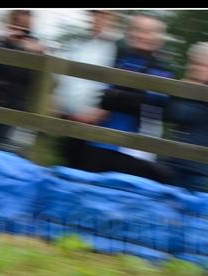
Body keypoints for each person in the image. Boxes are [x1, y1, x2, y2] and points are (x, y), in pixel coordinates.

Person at [72, 14, 174, 183]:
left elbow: (151, 101)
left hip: (132, 149)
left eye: (147, 32)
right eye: (136, 29)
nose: (140, 35)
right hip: (98, 141)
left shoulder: (161, 68)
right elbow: (101, 92)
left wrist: (112, 97)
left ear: (158, 38)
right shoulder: (119, 58)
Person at [163, 42, 208, 192]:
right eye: (191, 63)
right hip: (182, 163)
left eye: (199, 64)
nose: (192, 68)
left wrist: (183, 91)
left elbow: (180, 114)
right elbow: (169, 114)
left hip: (195, 169)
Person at [51, 9, 120, 167]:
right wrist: (57, 102)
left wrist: (100, 113)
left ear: (112, 17)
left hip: (94, 125)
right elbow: (66, 78)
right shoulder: (80, 43)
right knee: (66, 164)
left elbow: (117, 85)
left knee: (85, 169)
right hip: (68, 119)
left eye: (101, 14)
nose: (95, 18)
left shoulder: (117, 47)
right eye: (93, 14)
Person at [0, 10, 46, 151]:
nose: (21, 19)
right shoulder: (3, 41)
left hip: (20, 109)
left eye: (25, 15)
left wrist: (32, 51)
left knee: (12, 151)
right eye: (18, 15)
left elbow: (37, 78)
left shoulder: (36, 45)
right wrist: (3, 40)